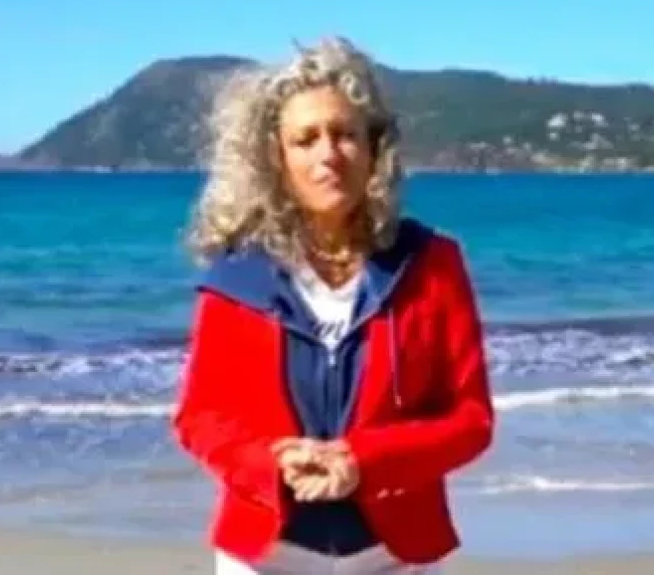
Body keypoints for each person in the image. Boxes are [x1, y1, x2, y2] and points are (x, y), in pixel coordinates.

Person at [172, 36, 494, 575]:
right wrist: (271, 462)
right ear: (277, 159)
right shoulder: (237, 275)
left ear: (373, 149)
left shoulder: (432, 264)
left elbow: (471, 419)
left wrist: (365, 461)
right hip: (265, 556)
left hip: (396, 554)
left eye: (345, 134)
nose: (328, 155)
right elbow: (200, 418)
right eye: (305, 139)